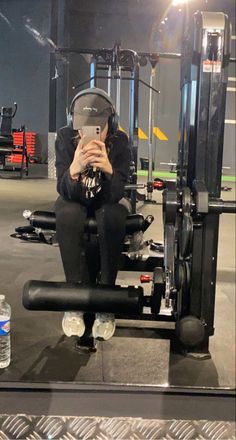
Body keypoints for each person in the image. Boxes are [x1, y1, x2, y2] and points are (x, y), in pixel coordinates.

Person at [55, 88, 131, 341]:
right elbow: (64, 190)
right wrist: (74, 170)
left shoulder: (120, 141)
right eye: (81, 127)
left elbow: (118, 193)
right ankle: (73, 303)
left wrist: (108, 169)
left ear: (111, 121)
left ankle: (105, 305)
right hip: (76, 199)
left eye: (96, 127)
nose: (85, 133)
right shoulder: (66, 138)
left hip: (107, 200)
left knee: (112, 214)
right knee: (67, 212)